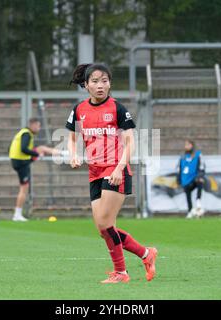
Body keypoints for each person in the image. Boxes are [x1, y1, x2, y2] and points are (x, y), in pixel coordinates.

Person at [66, 63, 157, 284]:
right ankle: (146, 254)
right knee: (103, 229)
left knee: (106, 224)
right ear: (86, 85)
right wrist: (73, 154)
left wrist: (118, 168)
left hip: (117, 170)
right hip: (94, 172)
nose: (100, 85)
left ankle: (122, 273)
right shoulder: (79, 109)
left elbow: (130, 142)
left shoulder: (118, 109)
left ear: (110, 83)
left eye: (104, 81)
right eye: (95, 81)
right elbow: (71, 136)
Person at [9, 118, 62, 222]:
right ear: (32, 125)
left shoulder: (23, 132)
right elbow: (23, 149)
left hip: (18, 160)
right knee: (24, 189)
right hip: (21, 162)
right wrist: (37, 154)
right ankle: (17, 215)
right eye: (38, 126)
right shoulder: (27, 134)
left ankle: (62, 154)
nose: (39, 128)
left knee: (42, 148)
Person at [178, 139, 206, 218]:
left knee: (200, 181)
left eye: (187, 145)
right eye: (185, 145)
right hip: (186, 180)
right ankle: (190, 211)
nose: (186, 146)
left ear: (192, 145)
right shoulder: (183, 156)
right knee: (187, 194)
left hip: (194, 178)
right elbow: (180, 168)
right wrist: (179, 179)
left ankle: (198, 201)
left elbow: (202, 166)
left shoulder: (198, 154)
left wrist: (200, 176)